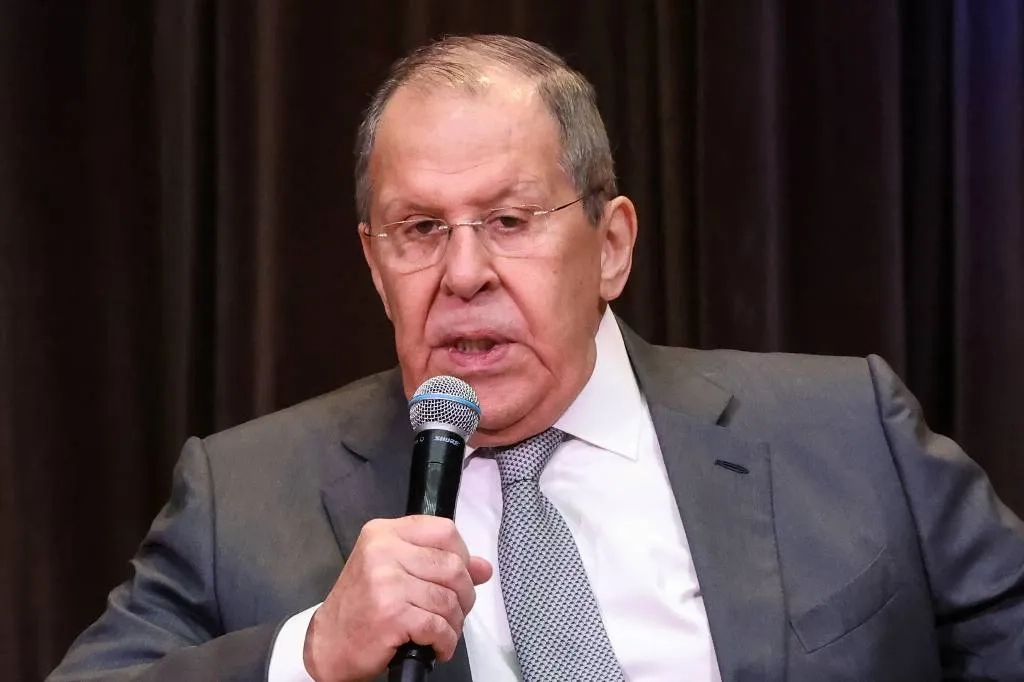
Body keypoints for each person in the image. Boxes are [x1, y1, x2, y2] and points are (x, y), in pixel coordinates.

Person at [49, 34, 1024, 682]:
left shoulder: (846, 430)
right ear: (375, 267)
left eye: (510, 221)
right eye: (419, 229)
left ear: (612, 246)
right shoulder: (245, 496)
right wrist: (311, 652)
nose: (463, 272)